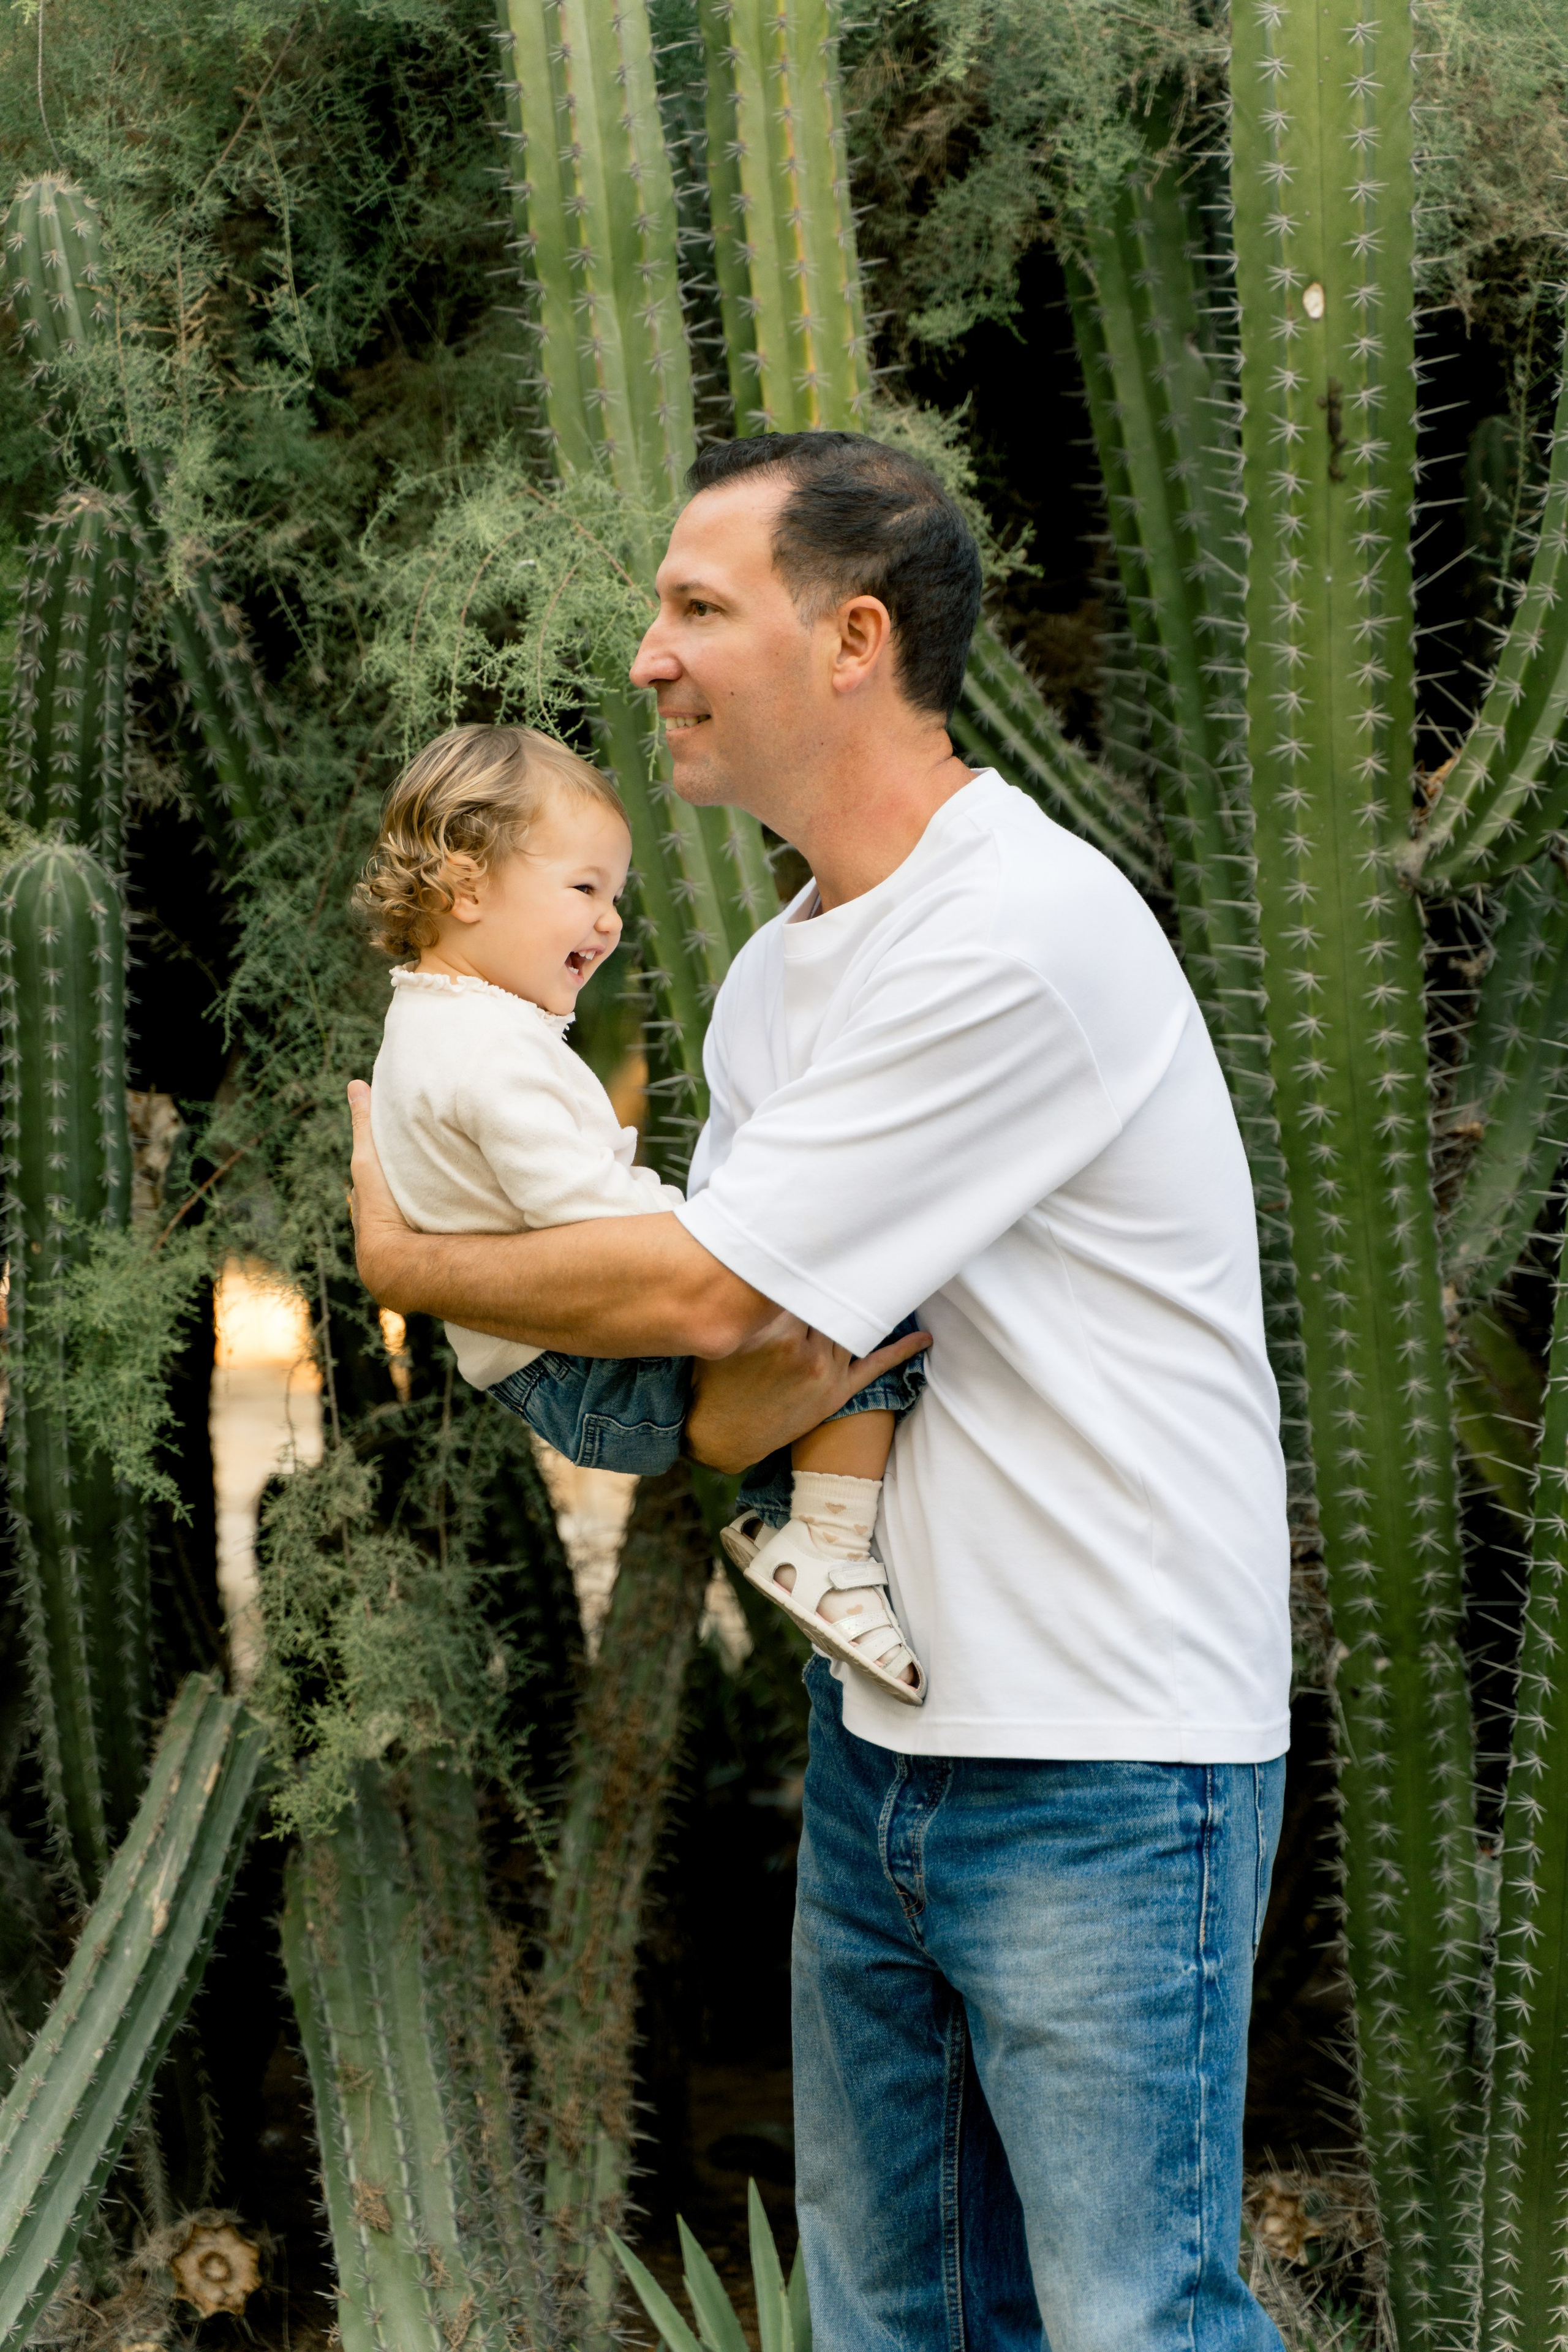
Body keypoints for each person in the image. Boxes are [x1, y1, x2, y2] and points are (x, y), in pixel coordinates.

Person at [349, 430, 1292, 2350]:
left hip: (1106, 1757)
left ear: (853, 639)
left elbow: (703, 1291)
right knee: (899, 2321)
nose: (645, 658)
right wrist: (714, 1359)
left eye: (697, 607)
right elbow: (730, 1402)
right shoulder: (779, 978)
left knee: (1140, 2325)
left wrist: (412, 1262)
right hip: (884, 1749)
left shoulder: (1016, 934)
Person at [358, 718, 929, 1700]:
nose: (610, 921)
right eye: (583, 889)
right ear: (465, 884)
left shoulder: (432, 1021)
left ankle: (774, 1513)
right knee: (861, 1296)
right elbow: (610, 1242)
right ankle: (827, 1544)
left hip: (552, 1368)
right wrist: (741, 1248)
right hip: (590, 1373)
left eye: (616, 895)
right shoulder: (495, 1058)